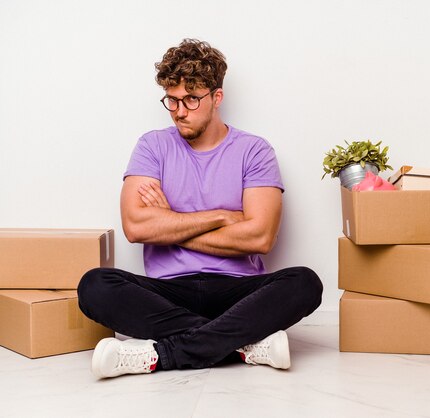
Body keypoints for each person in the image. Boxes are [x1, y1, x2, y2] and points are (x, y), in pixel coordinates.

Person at [77, 38, 323, 379]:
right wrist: (221, 216)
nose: (179, 111)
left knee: (304, 283)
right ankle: (241, 344)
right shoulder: (153, 146)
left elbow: (260, 237)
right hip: (169, 292)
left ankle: (159, 355)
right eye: (172, 100)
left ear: (216, 97)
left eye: (191, 99)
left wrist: (169, 225)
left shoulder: (254, 150)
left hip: (237, 290)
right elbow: (136, 227)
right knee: (95, 285)